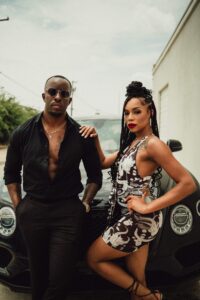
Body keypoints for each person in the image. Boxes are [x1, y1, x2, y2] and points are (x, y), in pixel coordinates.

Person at [79, 81, 196, 300]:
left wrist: (149, 205)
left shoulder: (153, 144)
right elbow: (104, 162)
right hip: (131, 217)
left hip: (139, 221)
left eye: (136, 112)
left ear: (150, 112)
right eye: (126, 113)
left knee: (93, 258)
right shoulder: (134, 143)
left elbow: (187, 183)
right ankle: (144, 293)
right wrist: (95, 138)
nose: (130, 118)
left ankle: (150, 297)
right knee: (137, 278)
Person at [4, 75, 102, 300]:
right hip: (33, 210)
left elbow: (95, 176)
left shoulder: (81, 135)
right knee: (38, 276)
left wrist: (85, 203)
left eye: (64, 94)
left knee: (60, 279)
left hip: (67, 212)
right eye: (53, 92)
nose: (58, 97)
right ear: (44, 95)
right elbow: (10, 173)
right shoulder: (23, 132)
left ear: (69, 100)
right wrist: (19, 207)